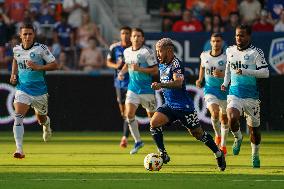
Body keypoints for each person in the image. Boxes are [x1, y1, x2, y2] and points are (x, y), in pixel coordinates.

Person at [151, 38, 226, 171]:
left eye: (159, 51)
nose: (157, 54)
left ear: (169, 50)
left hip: (184, 107)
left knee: (198, 134)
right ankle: (163, 153)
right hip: (169, 105)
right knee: (154, 123)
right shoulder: (162, 64)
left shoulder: (176, 64)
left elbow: (178, 83)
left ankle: (218, 153)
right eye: (156, 51)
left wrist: (161, 85)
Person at [221, 24, 269, 168]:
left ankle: (255, 155)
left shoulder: (256, 53)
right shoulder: (229, 50)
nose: (238, 38)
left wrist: (246, 71)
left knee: (254, 129)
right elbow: (229, 68)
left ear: (248, 36)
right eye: (237, 35)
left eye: (242, 35)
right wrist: (225, 82)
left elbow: (265, 73)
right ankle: (238, 137)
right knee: (232, 117)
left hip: (251, 97)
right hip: (234, 93)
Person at [9, 22, 58, 159]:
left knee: (41, 118)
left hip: (39, 91)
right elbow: (15, 59)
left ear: (34, 35)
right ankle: (19, 149)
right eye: (25, 34)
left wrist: (38, 67)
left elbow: (55, 65)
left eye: (30, 34)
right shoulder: (17, 49)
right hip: (22, 89)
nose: (27, 36)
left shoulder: (41, 49)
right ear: (20, 35)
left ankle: (46, 125)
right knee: (18, 116)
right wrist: (14, 74)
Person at [118, 28, 158, 154]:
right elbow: (127, 64)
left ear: (142, 38)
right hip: (133, 89)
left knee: (154, 121)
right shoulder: (127, 51)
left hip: (147, 90)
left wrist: (140, 69)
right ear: (131, 38)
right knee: (129, 114)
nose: (136, 38)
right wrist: (122, 72)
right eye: (134, 36)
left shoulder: (147, 52)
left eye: (138, 36)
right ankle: (138, 141)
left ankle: (159, 145)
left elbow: (155, 70)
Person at [196, 33, 229, 155]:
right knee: (215, 113)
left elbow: (233, 74)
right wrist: (200, 79)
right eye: (214, 41)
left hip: (224, 90)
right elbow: (202, 66)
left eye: (218, 41)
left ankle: (223, 144)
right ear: (211, 42)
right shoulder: (204, 55)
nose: (216, 43)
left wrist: (223, 75)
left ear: (222, 43)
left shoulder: (226, 57)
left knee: (224, 118)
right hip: (210, 89)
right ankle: (217, 135)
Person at [106, 26, 132, 148]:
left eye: (127, 33)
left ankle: (124, 137)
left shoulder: (134, 48)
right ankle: (129, 126)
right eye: (123, 33)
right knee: (123, 112)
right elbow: (108, 62)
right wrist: (116, 65)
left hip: (132, 83)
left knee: (128, 112)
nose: (125, 35)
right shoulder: (114, 47)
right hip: (119, 83)